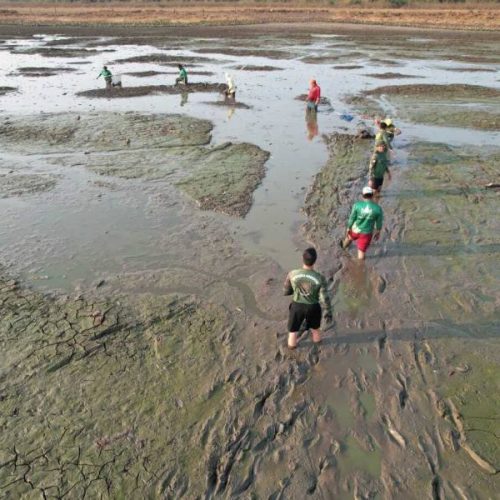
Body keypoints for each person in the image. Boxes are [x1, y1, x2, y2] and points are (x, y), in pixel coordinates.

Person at [283, 247, 333, 349]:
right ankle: (318, 346)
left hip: (297, 306)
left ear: (303, 259)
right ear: (315, 261)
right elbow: (324, 297)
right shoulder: (320, 278)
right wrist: (328, 310)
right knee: (315, 329)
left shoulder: (292, 274)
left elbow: (286, 291)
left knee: (293, 331)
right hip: (313, 307)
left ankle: (291, 349)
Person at [341, 186, 383, 260]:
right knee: (361, 252)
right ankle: (360, 267)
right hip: (366, 233)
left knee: (349, 238)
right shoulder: (378, 209)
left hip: (355, 229)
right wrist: (378, 231)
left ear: (363, 195)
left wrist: (348, 227)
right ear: (372, 195)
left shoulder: (357, 205)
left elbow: (352, 218)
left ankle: (343, 248)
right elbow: (379, 223)